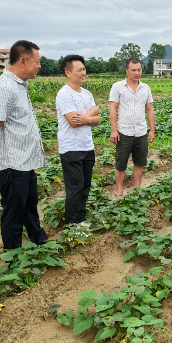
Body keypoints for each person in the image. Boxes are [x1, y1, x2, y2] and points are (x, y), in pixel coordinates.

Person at [0, 40, 48, 251]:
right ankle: (13, 253)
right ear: (22, 60)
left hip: (24, 160)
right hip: (11, 163)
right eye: (37, 62)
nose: (39, 66)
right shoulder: (5, 87)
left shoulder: (18, 84)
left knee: (29, 204)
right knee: (14, 210)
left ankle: (39, 239)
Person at [56, 55, 100, 224]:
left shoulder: (87, 94)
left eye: (84, 68)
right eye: (79, 69)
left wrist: (88, 118)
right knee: (75, 188)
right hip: (71, 148)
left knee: (84, 187)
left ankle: (80, 220)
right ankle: (73, 225)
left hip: (87, 146)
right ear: (68, 72)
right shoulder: (64, 94)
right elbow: (74, 122)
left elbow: (97, 120)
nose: (83, 72)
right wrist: (92, 114)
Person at [109, 58, 156, 196]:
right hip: (124, 132)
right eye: (133, 70)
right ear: (126, 71)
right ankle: (119, 189)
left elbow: (149, 109)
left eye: (139, 69)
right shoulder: (118, 87)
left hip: (141, 132)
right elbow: (113, 108)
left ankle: (136, 189)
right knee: (121, 163)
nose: (137, 73)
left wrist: (152, 130)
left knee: (139, 162)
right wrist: (113, 130)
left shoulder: (145, 88)